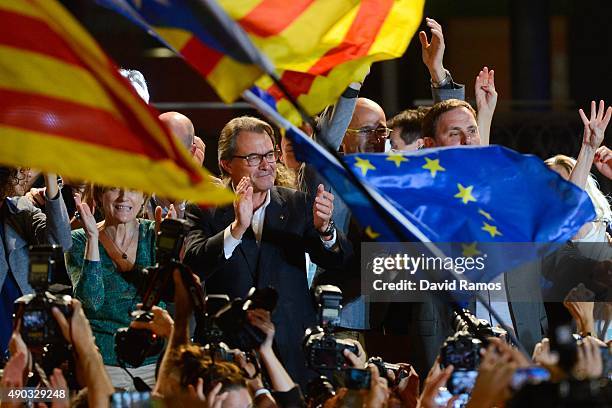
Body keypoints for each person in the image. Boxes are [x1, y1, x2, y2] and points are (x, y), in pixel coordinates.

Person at [183, 116, 350, 386]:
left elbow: (337, 259)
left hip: (292, 347)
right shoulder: (203, 208)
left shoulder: (296, 204)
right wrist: (237, 229)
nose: (266, 165)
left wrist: (325, 230)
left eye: (270, 154)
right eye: (253, 157)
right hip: (231, 352)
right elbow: (194, 264)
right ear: (226, 164)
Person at [65, 186, 172, 389]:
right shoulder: (79, 239)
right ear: (98, 196)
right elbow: (91, 302)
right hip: (104, 362)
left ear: (144, 197)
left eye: (133, 189)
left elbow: (169, 294)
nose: (124, 197)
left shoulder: (156, 233)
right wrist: (92, 239)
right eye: (114, 189)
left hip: (155, 362)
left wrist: (169, 247)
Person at [0, 169, 71, 354]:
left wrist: (51, 180)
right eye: (18, 167)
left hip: (25, 331)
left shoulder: (20, 208)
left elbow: (60, 242)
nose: (25, 172)